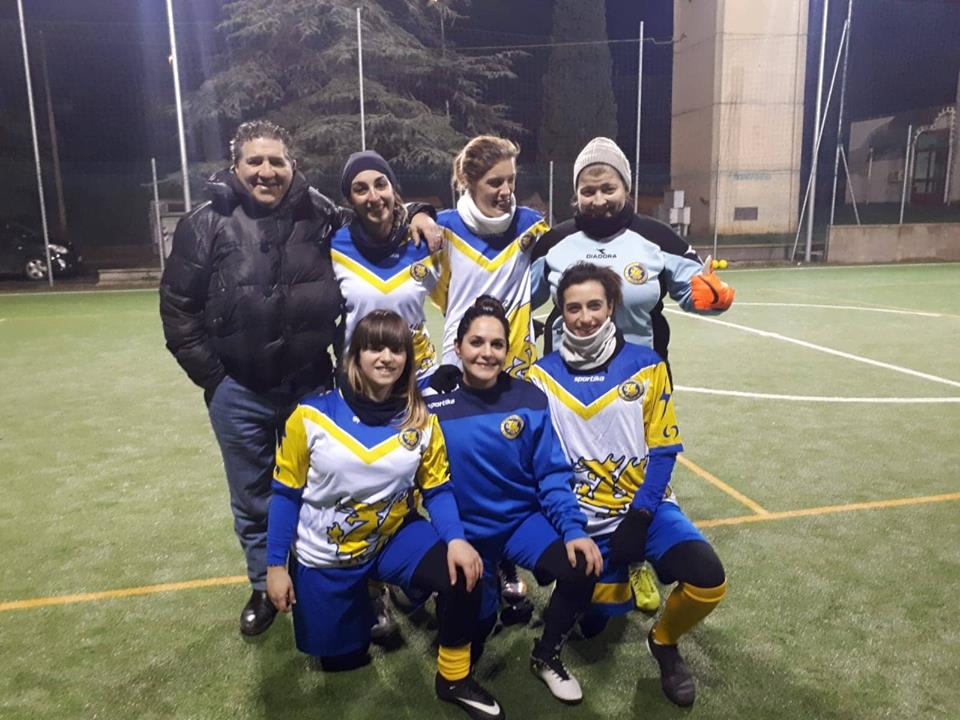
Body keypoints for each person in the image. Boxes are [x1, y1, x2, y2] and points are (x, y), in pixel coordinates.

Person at [159, 120, 442, 637]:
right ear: (235, 166)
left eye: (276, 161)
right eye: (255, 161)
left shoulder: (319, 214)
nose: (266, 172)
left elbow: (375, 210)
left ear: (292, 165)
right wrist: (217, 379)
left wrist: (421, 211)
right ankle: (262, 583)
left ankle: (328, 579)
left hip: (311, 386)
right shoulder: (204, 223)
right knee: (253, 494)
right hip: (238, 388)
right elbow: (178, 308)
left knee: (327, 492)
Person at [530, 136, 735, 613]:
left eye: (608, 188)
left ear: (626, 187)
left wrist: (712, 297)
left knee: (640, 470)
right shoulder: (555, 242)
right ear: (575, 194)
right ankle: (575, 550)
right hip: (569, 385)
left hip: (639, 384)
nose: (598, 199)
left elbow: (694, 292)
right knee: (573, 473)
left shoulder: (659, 239)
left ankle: (639, 556)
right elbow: (520, 297)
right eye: (588, 190)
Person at [266, 310, 503, 720]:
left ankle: (453, 679)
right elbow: (285, 495)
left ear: (407, 359)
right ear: (355, 355)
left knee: (464, 575)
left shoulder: (420, 418)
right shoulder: (311, 416)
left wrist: (456, 540)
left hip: (392, 536)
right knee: (344, 659)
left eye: (396, 349)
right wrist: (274, 566)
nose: (386, 357)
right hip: (328, 553)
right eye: (375, 347)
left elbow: (438, 489)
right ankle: (370, 595)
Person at [528, 263, 727, 708]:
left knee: (708, 579)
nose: (585, 317)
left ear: (611, 306)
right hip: (581, 519)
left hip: (644, 508)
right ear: (560, 312)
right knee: (595, 620)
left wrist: (641, 515)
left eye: (594, 305)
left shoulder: (648, 364)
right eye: (573, 308)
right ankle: (596, 597)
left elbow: (664, 449)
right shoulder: (540, 376)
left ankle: (664, 642)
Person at [426, 297, 603, 705]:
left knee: (582, 566)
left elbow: (551, 473)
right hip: (466, 531)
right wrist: (452, 537)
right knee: (475, 625)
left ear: (508, 350)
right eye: (476, 342)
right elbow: (431, 484)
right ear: (458, 347)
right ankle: (465, 619)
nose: (486, 353)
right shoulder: (433, 405)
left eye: (497, 344)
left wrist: (573, 530)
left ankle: (547, 655)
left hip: (521, 523)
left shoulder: (528, 398)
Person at [435, 135, 550, 381]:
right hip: (461, 364)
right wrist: (417, 213)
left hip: (518, 366)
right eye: (495, 182)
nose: (506, 191)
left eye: (511, 179)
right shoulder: (442, 229)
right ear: (469, 182)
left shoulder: (531, 226)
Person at [332, 150, 442, 386]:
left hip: (418, 379)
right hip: (359, 381)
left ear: (393, 188)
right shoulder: (334, 245)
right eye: (360, 189)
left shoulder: (423, 239)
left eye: (381, 184)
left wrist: (421, 213)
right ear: (349, 201)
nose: (374, 197)